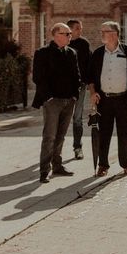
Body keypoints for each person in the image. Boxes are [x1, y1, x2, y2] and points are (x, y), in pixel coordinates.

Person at [88, 21, 127, 178]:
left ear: (114, 34)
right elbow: (90, 76)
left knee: (124, 133)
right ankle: (103, 165)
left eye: (104, 31)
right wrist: (92, 93)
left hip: (124, 100)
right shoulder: (98, 53)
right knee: (104, 133)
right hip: (104, 100)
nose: (101, 34)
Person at [32, 23, 81, 183]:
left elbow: (76, 76)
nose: (70, 36)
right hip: (52, 101)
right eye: (66, 33)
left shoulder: (71, 53)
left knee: (61, 136)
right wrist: (48, 97)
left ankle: (57, 165)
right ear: (56, 35)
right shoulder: (42, 53)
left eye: (69, 33)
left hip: (69, 100)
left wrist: (75, 95)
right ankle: (44, 170)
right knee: (50, 136)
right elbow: (38, 78)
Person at [68, 19, 92, 160]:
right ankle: (55, 151)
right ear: (70, 30)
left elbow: (89, 64)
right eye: (78, 28)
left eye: (80, 28)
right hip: (64, 88)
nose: (80, 30)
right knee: (62, 119)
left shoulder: (84, 44)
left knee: (77, 118)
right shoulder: (64, 43)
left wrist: (90, 84)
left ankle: (78, 147)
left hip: (80, 86)